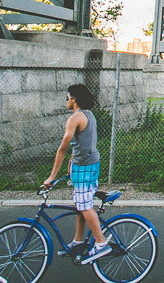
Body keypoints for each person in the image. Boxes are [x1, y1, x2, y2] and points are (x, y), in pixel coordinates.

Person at [43, 84, 112, 264]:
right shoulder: (88, 115)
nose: (65, 101)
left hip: (85, 167)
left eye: (67, 97)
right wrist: (71, 162)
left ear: (74, 99)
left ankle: (101, 243)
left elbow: (62, 148)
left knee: (84, 205)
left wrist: (52, 177)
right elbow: (82, 143)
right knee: (79, 203)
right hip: (85, 164)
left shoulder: (75, 118)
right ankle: (78, 240)